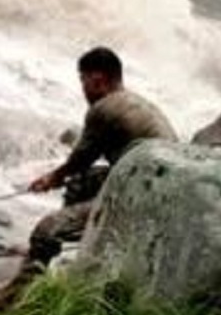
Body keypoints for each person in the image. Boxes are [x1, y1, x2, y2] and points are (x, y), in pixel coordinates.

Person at [27, 47, 178, 267]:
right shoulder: (134, 102)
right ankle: (86, 246)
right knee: (81, 182)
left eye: (83, 81)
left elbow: (81, 159)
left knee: (45, 232)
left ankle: (25, 288)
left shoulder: (103, 108)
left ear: (98, 79)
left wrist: (52, 178)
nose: (83, 89)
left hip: (144, 196)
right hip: (162, 187)